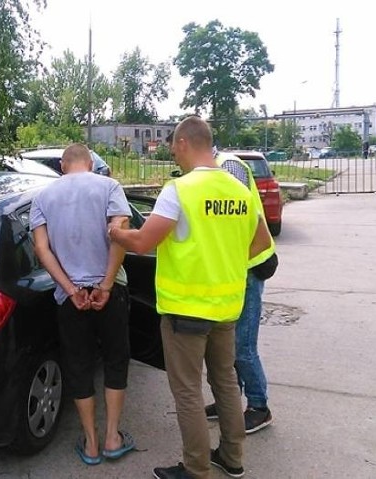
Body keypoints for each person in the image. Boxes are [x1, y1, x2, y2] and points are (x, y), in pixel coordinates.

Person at [110, 117, 272, 479]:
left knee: (187, 393)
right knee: (226, 383)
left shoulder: (180, 190)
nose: (172, 153)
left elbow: (143, 242)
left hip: (185, 312)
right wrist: (224, 260)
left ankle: (196, 469)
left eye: (172, 146)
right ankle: (232, 458)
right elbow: (261, 243)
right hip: (227, 308)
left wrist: (116, 232)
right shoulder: (240, 189)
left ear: (184, 142)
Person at [30, 143, 135, 466]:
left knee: (78, 365)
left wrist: (71, 289)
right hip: (110, 292)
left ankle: (90, 443)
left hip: (70, 298)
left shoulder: (43, 197)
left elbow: (42, 250)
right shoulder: (109, 187)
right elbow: (120, 234)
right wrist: (103, 285)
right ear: (90, 164)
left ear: (63, 165)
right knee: (116, 360)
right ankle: (113, 437)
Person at [204, 151, 279, 435]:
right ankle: (229, 403)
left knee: (243, 347)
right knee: (228, 345)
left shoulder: (229, 166)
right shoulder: (219, 169)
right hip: (237, 268)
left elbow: (234, 218)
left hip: (248, 266)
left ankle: (259, 407)